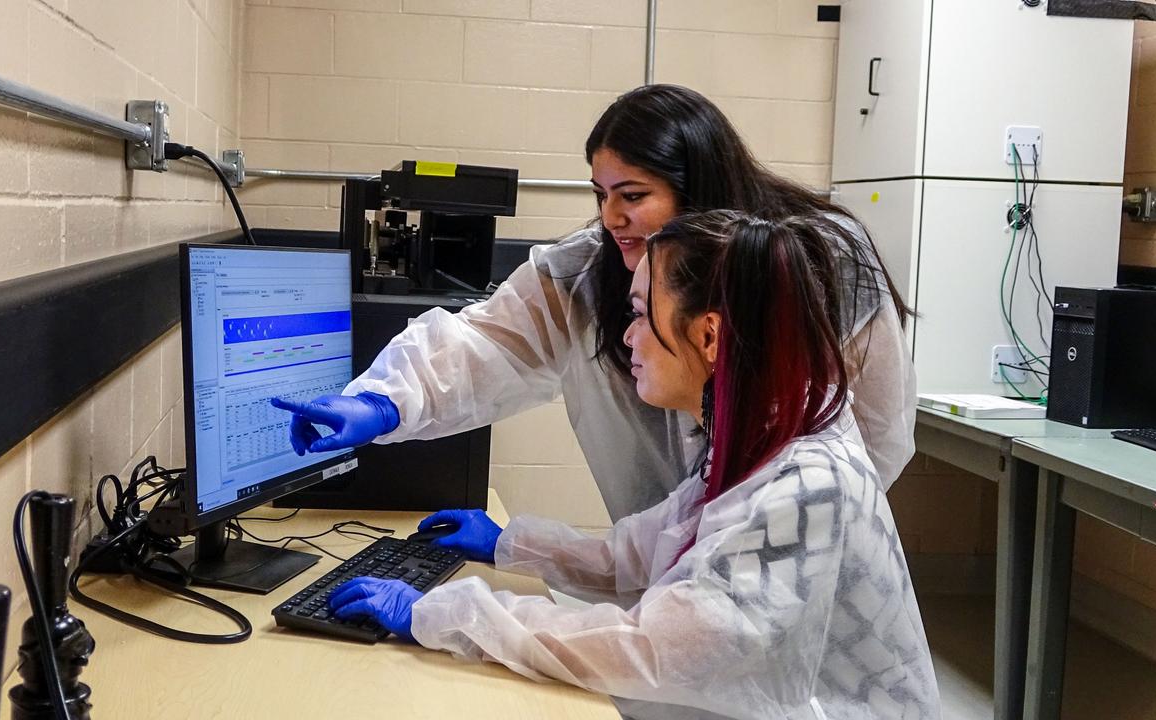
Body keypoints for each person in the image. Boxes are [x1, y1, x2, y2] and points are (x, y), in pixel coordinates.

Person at [326, 211, 940, 719]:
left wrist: (444, 614)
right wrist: (513, 544)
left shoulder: (804, 483)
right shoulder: (761, 434)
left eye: (642, 313)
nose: (627, 337)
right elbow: (643, 554)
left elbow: (652, 649)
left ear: (709, 339)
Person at [271, 84, 916, 523]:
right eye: (600, 194)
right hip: (672, 566)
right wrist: (384, 401)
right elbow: (485, 343)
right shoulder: (593, 270)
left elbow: (880, 434)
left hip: (801, 551)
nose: (611, 218)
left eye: (632, 195)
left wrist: (799, 533)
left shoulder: (817, 266)